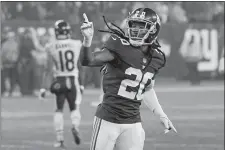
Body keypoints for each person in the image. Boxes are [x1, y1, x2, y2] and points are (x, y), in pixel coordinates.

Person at [80, 8, 177, 150]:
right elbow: (88, 61)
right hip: (108, 120)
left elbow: (146, 88)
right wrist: (87, 41)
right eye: (134, 25)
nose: (135, 30)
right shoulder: (119, 45)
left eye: (141, 26)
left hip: (133, 123)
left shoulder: (157, 57)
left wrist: (161, 114)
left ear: (153, 30)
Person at [39, 20, 84, 148]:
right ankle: (75, 126)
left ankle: (60, 139)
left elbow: (48, 69)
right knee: (74, 108)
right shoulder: (76, 44)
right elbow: (80, 66)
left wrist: (43, 88)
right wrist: (81, 85)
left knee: (59, 109)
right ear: (68, 31)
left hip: (59, 80)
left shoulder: (51, 46)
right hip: (73, 79)